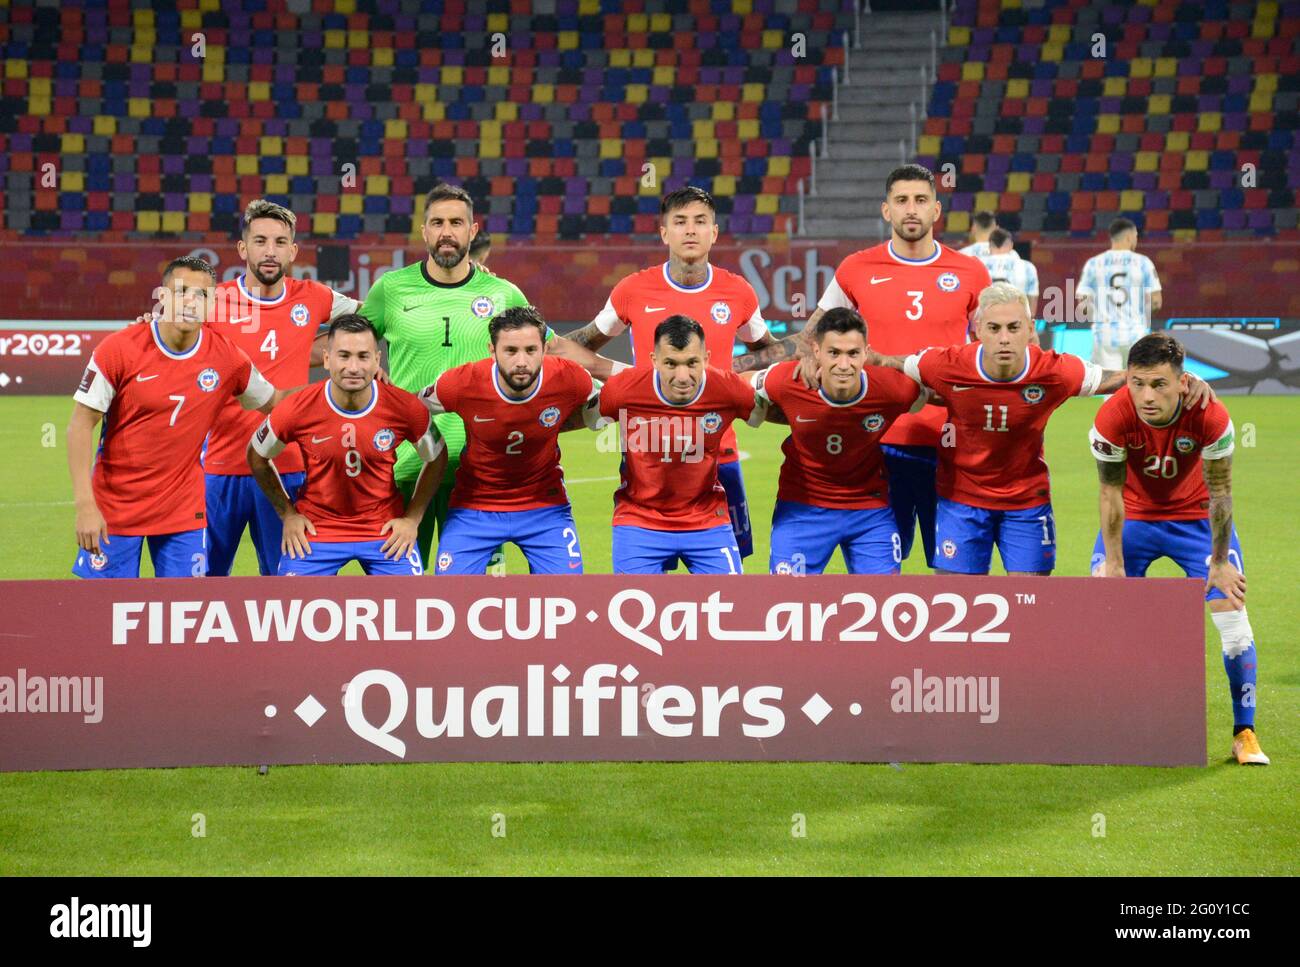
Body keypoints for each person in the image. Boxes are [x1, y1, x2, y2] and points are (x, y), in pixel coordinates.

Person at [735, 164, 992, 568]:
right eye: (901, 201)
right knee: (884, 569)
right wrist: (736, 365)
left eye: (921, 200)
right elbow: (809, 340)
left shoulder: (971, 272)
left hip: (950, 443)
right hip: (880, 443)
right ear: (886, 210)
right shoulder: (857, 268)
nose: (912, 209)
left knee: (955, 570)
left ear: (936, 210)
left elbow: (987, 358)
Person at [868, 282, 1214, 576]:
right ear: (977, 331)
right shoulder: (947, 364)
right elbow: (901, 365)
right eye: (994, 328)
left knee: (1029, 602)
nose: (1005, 338)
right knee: (956, 601)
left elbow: (1117, 380)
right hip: (961, 501)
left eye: (1014, 328)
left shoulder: (1054, 371)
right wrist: (875, 360)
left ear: (1030, 329)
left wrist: (1183, 379)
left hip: (1026, 504)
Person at [559, 186, 782, 562]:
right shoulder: (633, 289)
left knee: (728, 581)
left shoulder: (738, 291)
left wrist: (729, 376)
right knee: (647, 576)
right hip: (646, 457)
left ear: (715, 232)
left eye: (700, 222)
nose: (690, 231)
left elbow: (770, 352)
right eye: (680, 222)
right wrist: (627, 373)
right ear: (664, 233)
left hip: (718, 454)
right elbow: (578, 345)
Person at [1090, 332, 1267, 765]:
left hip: (1196, 518)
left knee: (1232, 615)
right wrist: (1113, 563)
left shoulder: (1211, 415)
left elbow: (1221, 492)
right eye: (1137, 384)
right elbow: (1110, 495)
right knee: (1103, 606)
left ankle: (1244, 732)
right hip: (1133, 517)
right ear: (1127, 379)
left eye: (1159, 385)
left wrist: (1222, 563)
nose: (1147, 396)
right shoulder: (1111, 418)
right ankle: (1111, 722)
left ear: (1182, 382)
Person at [68, 256, 285, 578]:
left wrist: (336, 389)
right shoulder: (119, 349)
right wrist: (85, 506)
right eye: (181, 291)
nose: (190, 301)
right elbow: (80, 426)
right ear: (163, 297)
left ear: (213, 303)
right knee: (104, 614)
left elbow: (275, 403)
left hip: (183, 513)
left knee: (184, 614)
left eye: (201, 295)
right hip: (114, 507)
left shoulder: (227, 359)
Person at [358, 184, 539, 567]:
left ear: (472, 231)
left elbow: (547, 352)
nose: (446, 232)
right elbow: (349, 347)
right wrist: (372, 366)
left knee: (481, 603)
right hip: (406, 466)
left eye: (456, 222)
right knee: (400, 599)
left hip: (478, 474)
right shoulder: (390, 289)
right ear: (423, 231)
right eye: (437, 222)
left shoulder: (503, 293)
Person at [199, 199, 361, 576]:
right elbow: (168, 337)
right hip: (219, 467)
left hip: (288, 466)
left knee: (286, 584)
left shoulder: (315, 297)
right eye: (260, 241)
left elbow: (374, 314)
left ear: (293, 250)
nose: (270, 251)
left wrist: (331, 354)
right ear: (243, 248)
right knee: (202, 582)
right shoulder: (213, 301)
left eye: (279, 242)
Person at [247, 315, 445, 576]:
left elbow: (437, 456)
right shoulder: (297, 407)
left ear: (377, 359)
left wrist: (412, 519)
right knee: (290, 610)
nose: (353, 367)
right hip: (316, 532)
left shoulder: (405, 407)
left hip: (385, 533)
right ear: (327, 359)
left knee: (411, 610)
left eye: (363, 356)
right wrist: (288, 515)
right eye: (344, 356)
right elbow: (257, 455)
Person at [418, 306, 597, 574]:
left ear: (545, 349)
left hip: (546, 509)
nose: (522, 361)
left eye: (531, 350)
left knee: (567, 597)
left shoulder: (570, 378)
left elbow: (605, 404)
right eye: (511, 351)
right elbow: (410, 408)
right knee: (449, 599)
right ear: (492, 350)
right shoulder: (462, 383)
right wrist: (431, 445)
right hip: (474, 508)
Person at [748, 308, 926, 575]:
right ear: (815, 352)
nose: (844, 365)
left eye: (853, 354)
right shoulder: (787, 380)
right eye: (834, 353)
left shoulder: (894, 389)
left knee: (885, 603)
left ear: (866, 353)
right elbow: (733, 390)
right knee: (786, 604)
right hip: (802, 510)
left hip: (869, 511)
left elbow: (939, 391)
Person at [586, 315, 765, 574]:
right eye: (671, 363)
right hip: (639, 520)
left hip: (707, 520)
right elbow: (592, 420)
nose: (682, 376)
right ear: (654, 360)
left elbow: (762, 413)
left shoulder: (727, 389)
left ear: (706, 358)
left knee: (731, 607)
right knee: (634, 608)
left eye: (692, 363)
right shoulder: (624, 389)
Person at [1077, 217, 1163, 370]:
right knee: (1136, 385)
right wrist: (1143, 316)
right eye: (1136, 237)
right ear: (1129, 237)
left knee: (1110, 388)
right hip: (1136, 334)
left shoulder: (1094, 263)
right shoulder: (1143, 263)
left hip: (1104, 335)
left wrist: (1097, 316)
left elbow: (1082, 304)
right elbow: (1156, 302)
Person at [976, 228, 1040, 316]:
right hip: (1016, 321)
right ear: (1010, 245)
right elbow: (1032, 300)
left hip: (986, 322)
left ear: (990, 246)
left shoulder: (977, 266)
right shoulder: (1027, 267)